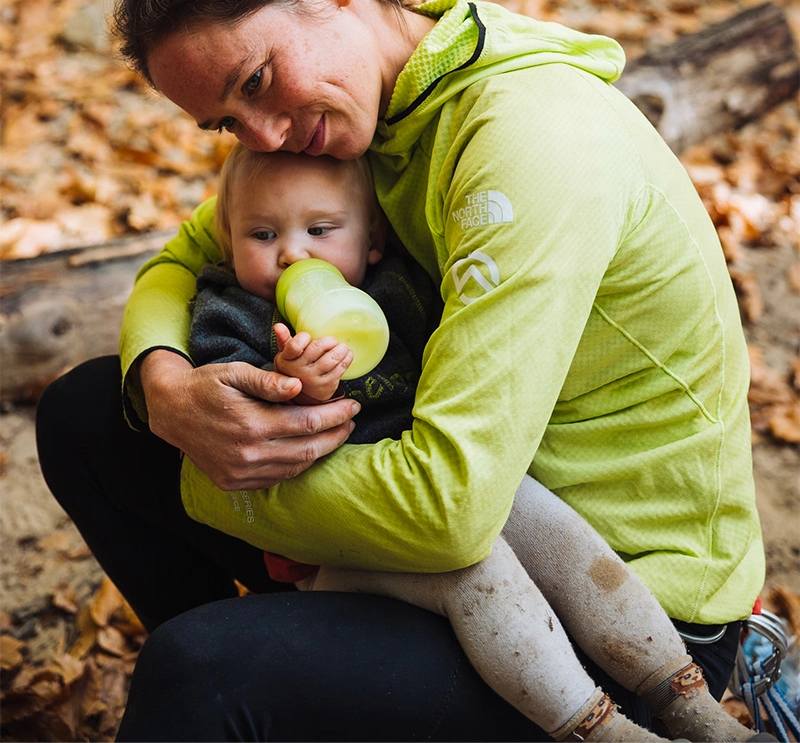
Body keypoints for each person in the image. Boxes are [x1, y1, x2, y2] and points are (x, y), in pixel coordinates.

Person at [36, 0, 767, 743]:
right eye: (227, 122)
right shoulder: (362, 108)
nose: (264, 136)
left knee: (203, 671)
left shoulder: (525, 138)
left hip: (615, 597)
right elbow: (177, 263)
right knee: (90, 412)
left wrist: (213, 474)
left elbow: (449, 510)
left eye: (259, 82)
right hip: (444, 528)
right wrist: (164, 391)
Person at [188, 141, 768, 743]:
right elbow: (241, 429)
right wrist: (298, 387)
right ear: (228, 244)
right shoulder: (233, 317)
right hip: (333, 541)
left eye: (321, 229)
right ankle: (603, 733)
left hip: (431, 487)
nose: (292, 253)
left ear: (372, 240)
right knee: (473, 568)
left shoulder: (402, 288)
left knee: (551, 525)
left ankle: (688, 699)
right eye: (261, 235)